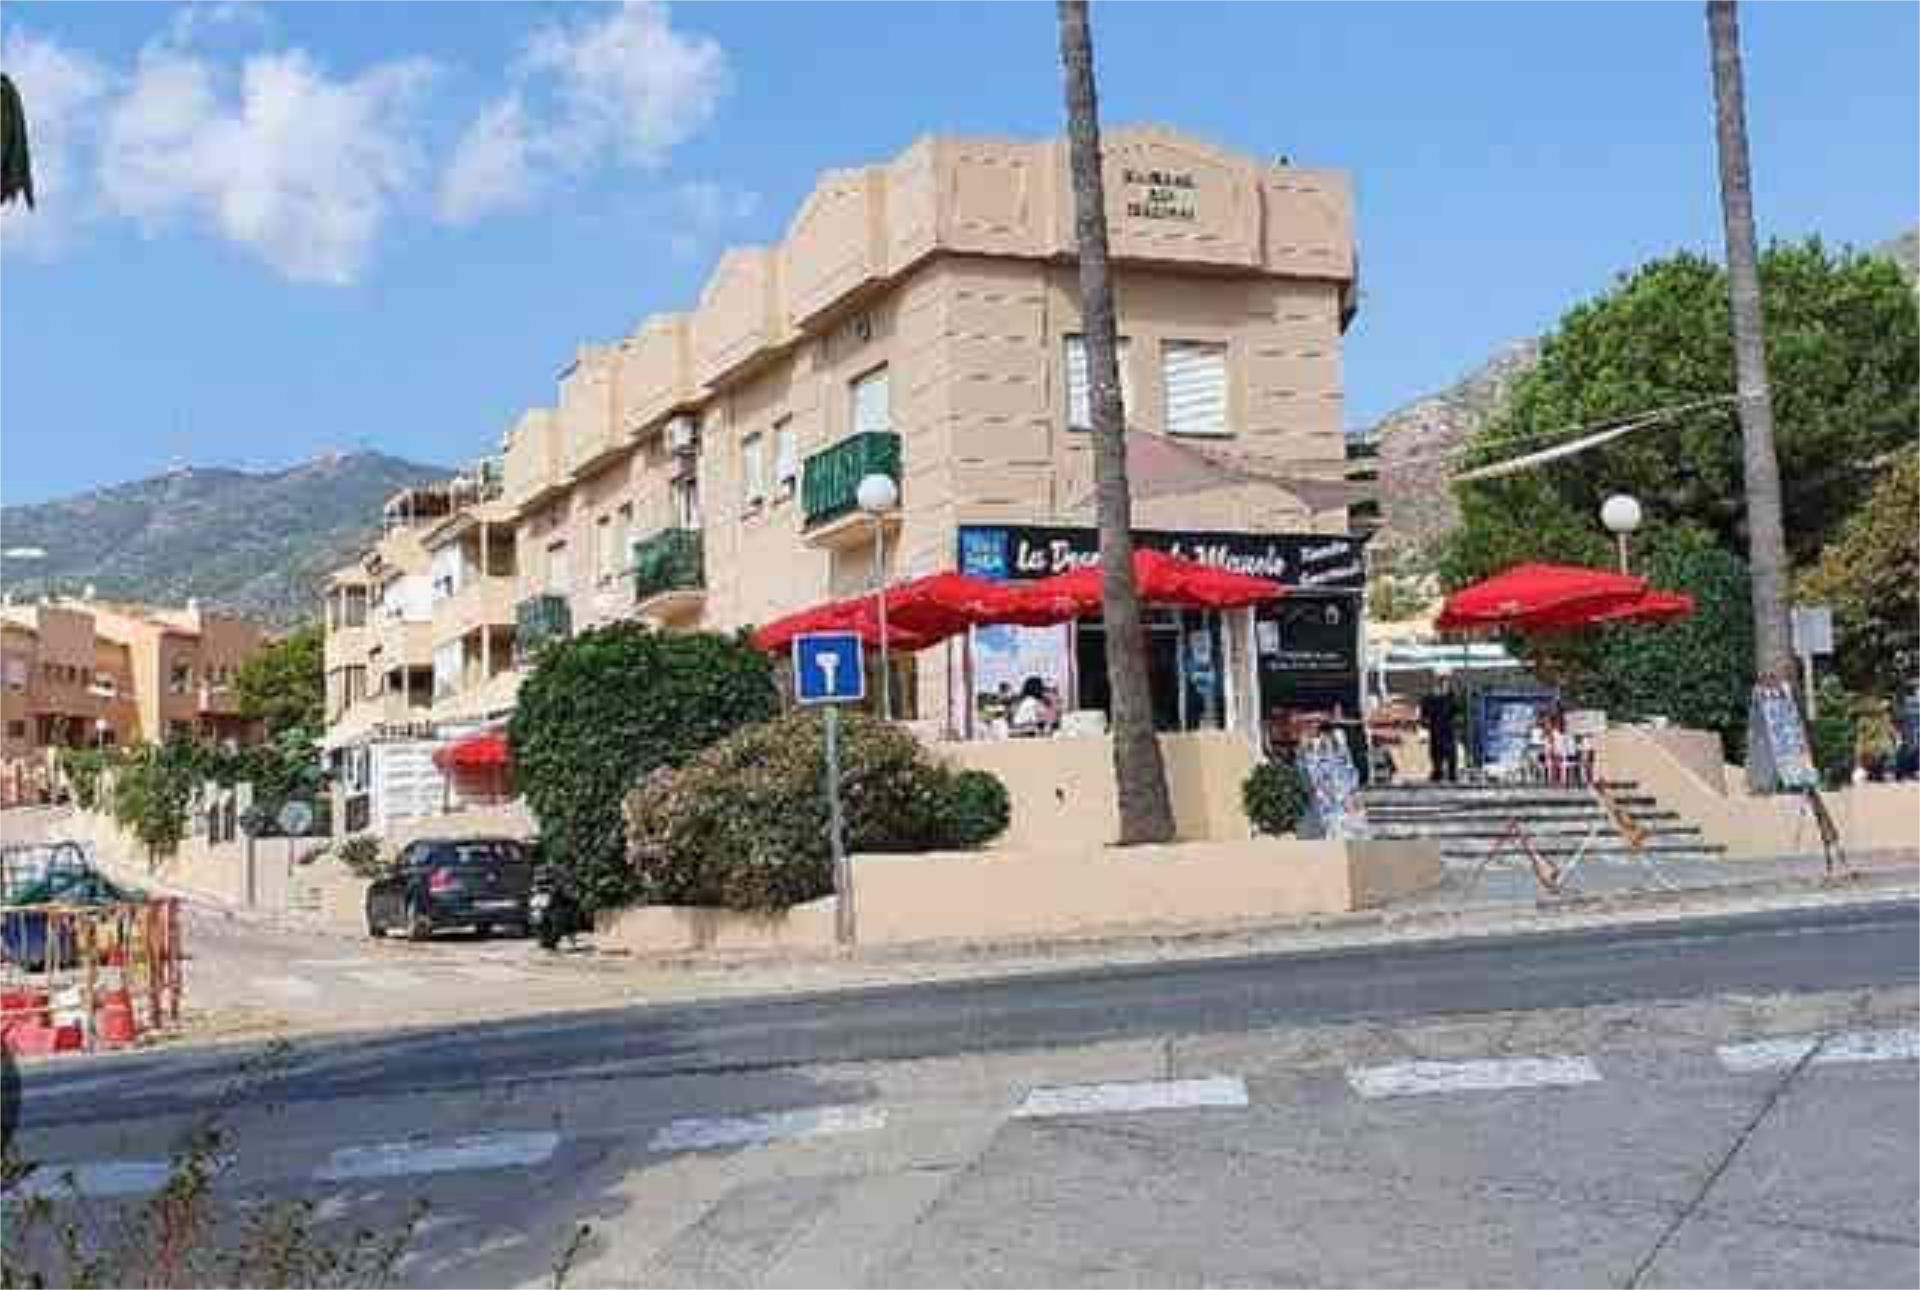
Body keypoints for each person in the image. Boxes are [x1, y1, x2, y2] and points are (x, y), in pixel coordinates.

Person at [1420, 672, 1459, 784]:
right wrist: (1425, 721)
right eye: (1441, 683)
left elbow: (1458, 712)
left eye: (1445, 683)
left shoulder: (1451, 697)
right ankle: (1438, 772)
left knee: (1450, 753)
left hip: (1447, 730)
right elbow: (1424, 714)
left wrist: (1456, 721)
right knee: (1436, 753)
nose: (1442, 686)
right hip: (1436, 729)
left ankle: (1451, 774)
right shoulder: (1430, 698)